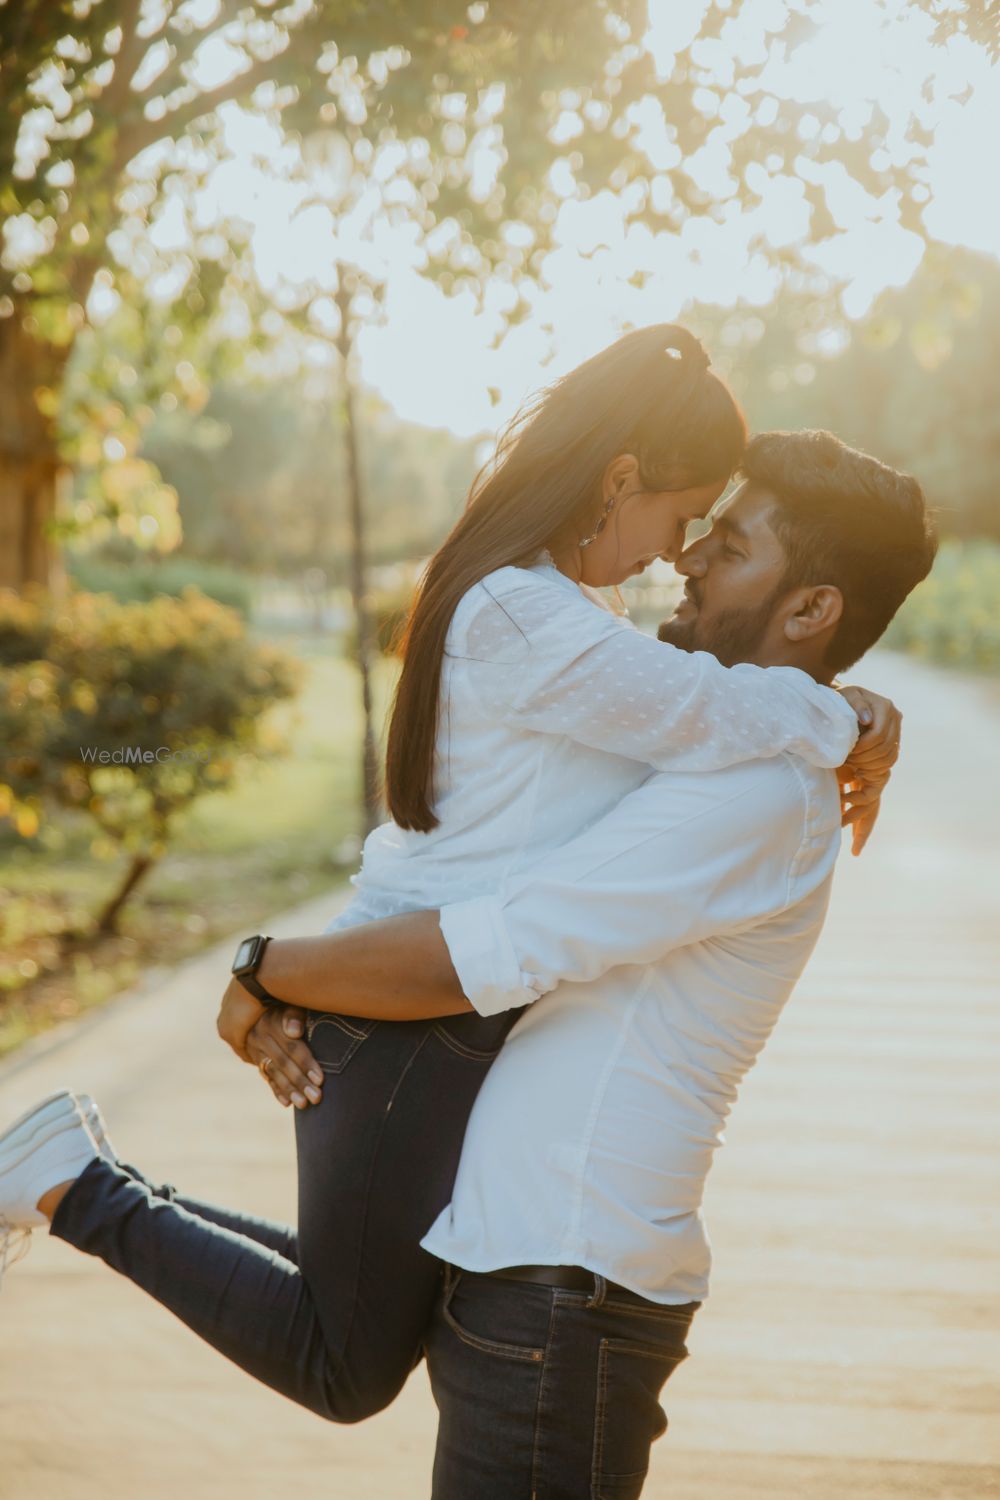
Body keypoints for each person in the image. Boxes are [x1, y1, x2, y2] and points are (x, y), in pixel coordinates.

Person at [0, 332, 898, 1438]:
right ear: (618, 483)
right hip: (401, 1019)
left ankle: (75, 1176)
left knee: (362, 1309)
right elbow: (704, 708)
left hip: (420, 1020)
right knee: (346, 1363)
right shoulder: (528, 617)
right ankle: (73, 1184)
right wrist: (845, 715)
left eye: (710, 532)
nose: (679, 553)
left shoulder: (559, 614)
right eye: (680, 519)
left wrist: (852, 709)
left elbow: (693, 713)